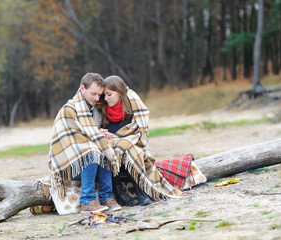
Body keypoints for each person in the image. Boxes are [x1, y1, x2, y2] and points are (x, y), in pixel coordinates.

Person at [99, 75, 183, 205]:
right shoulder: (102, 109)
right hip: (113, 149)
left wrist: (119, 137)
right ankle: (120, 192)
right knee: (116, 147)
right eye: (104, 95)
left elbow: (139, 131)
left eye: (109, 94)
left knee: (129, 148)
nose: (106, 98)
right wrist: (105, 133)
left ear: (119, 92)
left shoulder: (132, 105)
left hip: (131, 144)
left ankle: (140, 190)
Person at [48, 72, 121, 213]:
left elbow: (92, 133)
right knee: (92, 151)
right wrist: (95, 135)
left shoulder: (95, 111)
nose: (96, 98)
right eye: (93, 94)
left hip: (90, 163)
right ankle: (87, 201)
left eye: (99, 95)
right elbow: (73, 141)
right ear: (82, 88)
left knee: (103, 147)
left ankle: (106, 197)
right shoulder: (68, 109)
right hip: (70, 164)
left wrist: (101, 134)